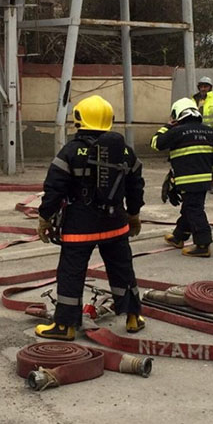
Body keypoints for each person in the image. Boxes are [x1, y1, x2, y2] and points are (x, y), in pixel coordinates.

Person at [35, 95, 145, 341]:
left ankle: (65, 326)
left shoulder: (71, 151)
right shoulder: (125, 152)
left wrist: (44, 217)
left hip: (79, 227)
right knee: (122, 269)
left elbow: (54, 188)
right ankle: (133, 317)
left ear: (78, 120)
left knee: (71, 273)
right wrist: (134, 215)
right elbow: (136, 185)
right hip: (115, 225)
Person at [151, 97, 213, 258]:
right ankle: (179, 237)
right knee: (190, 207)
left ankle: (203, 244)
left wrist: (167, 126)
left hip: (186, 179)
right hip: (204, 179)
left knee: (194, 209)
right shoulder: (210, 132)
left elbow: (155, 143)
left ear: (178, 114)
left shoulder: (176, 132)